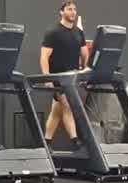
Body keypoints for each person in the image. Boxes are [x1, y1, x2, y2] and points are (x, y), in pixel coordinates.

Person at [40, 1, 89, 148]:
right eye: (69, 9)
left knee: (57, 111)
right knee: (67, 106)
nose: (73, 12)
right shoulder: (53, 32)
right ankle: (75, 141)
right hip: (58, 78)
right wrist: (47, 77)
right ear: (61, 12)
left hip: (72, 77)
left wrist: (85, 70)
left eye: (74, 9)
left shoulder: (78, 32)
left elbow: (85, 52)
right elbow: (44, 56)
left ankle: (46, 142)